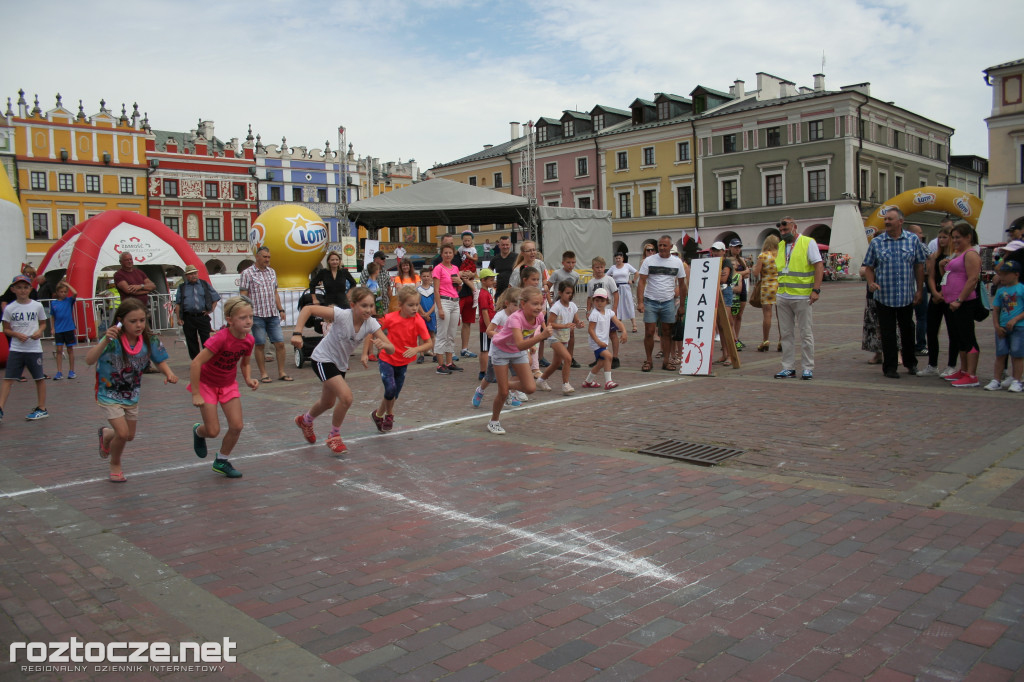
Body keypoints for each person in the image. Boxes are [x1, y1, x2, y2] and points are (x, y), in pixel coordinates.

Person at [292, 287, 393, 452]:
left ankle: (305, 420)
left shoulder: (371, 323)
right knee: (346, 397)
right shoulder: (341, 315)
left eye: (371, 306)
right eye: (364, 306)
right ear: (353, 305)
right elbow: (308, 308)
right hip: (323, 359)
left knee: (328, 402)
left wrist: (385, 345)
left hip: (340, 364)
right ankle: (334, 436)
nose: (368, 310)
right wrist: (297, 333)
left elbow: (392, 349)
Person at [88, 298, 178, 482]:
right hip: (109, 393)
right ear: (121, 320)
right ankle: (115, 464)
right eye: (133, 321)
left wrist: (168, 373)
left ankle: (106, 434)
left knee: (128, 435)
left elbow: (159, 359)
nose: (139, 325)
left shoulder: (149, 339)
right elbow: (89, 360)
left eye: (142, 320)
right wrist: (105, 339)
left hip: (131, 395)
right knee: (122, 433)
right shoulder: (112, 340)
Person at [189, 296, 258, 479]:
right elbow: (196, 363)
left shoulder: (248, 340)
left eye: (250, 316)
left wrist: (249, 378)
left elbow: (245, 364)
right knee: (212, 431)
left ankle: (222, 460)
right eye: (243, 317)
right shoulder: (220, 339)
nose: (248, 321)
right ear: (229, 320)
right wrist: (196, 393)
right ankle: (198, 431)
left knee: (237, 426)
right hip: (207, 385)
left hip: (228, 384)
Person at [862, 208, 928, 379]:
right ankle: (890, 367)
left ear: (900, 221)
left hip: (906, 295)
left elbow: (919, 266)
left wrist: (919, 290)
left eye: (890, 219)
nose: (886, 222)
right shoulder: (877, 242)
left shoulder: (912, 240)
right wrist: (871, 282)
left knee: (908, 330)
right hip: (884, 296)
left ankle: (910, 363)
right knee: (888, 333)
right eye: (885, 219)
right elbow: (868, 266)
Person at [486, 286, 551, 435]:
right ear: (523, 304)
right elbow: (521, 343)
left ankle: (504, 385)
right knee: (502, 393)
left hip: (517, 352)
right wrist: (540, 337)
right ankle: (494, 422)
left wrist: (541, 336)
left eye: (540, 303)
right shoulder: (515, 318)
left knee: (530, 388)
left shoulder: (540, 316)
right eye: (534, 304)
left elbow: (533, 337)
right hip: (501, 350)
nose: (538, 307)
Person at [371, 286, 433, 433]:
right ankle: (389, 415)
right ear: (400, 305)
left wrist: (416, 349)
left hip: (403, 361)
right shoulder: (391, 318)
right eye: (410, 305)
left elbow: (429, 343)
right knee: (390, 389)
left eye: (417, 305)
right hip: (387, 358)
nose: (414, 308)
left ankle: (378, 414)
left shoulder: (418, 321)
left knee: (393, 394)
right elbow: (372, 328)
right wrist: (366, 352)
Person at [773, 217, 824, 380]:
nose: (783, 233)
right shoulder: (781, 245)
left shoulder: (808, 242)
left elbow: (818, 265)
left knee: (805, 332)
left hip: (802, 295)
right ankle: (788, 367)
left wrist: (816, 289)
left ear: (794, 227)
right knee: (786, 333)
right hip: (783, 294)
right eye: (781, 231)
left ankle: (807, 367)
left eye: (785, 229)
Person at [239, 246, 292, 382]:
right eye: (265, 257)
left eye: (269, 257)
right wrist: (247, 313)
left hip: (272, 313)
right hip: (257, 315)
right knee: (260, 344)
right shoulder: (247, 273)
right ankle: (264, 373)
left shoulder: (272, 272)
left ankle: (281, 372)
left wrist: (281, 309)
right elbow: (243, 295)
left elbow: (275, 293)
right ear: (257, 256)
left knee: (280, 343)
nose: (267, 260)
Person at [0, 275, 48, 423]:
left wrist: (39, 332)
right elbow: (6, 329)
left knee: (39, 378)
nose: (22, 290)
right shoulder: (10, 308)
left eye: (25, 287)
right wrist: (16, 334)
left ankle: (41, 408)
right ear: (13, 289)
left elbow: (43, 323)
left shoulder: (37, 306)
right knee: (8, 378)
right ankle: (0, 408)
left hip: (33, 348)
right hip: (16, 348)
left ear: (30, 289)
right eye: (19, 287)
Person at [637, 236, 687, 372]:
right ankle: (648, 360)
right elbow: (641, 281)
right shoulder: (649, 260)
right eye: (660, 245)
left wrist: (682, 305)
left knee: (667, 332)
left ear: (671, 247)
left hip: (668, 302)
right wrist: (640, 302)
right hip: (651, 301)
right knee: (649, 332)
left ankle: (666, 361)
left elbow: (682, 285)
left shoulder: (677, 262)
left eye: (665, 245)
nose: (662, 248)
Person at [943, 223, 984, 387]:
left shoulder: (971, 254)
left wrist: (959, 300)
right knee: (958, 337)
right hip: (952, 302)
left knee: (967, 337)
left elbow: (972, 279)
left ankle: (972, 375)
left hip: (964, 302)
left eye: (958, 237)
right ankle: (964, 369)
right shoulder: (959, 253)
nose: (955, 240)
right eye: (953, 237)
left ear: (968, 237)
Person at [472, 287, 524, 409]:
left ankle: (509, 395)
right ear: (507, 304)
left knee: (516, 373)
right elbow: (488, 331)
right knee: (490, 377)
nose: (518, 309)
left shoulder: (519, 316)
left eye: (520, 305)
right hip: (497, 352)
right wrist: (501, 336)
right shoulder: (500, 315)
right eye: (515, 305)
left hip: (512, 351)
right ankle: (480, 390)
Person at [922, 227, 958, 376]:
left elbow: (953, 277)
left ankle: (951, 365)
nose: (942, 240)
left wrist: (943, 293)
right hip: (936, 297)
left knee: (952, 332)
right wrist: (935, 293)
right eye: (940, 237)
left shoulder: (955, 256)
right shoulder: (934, 256)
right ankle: (932, 364)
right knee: (931, 331)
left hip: (949, 297)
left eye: (945, 237)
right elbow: (930, 276)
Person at [984, 261, 1024, 392]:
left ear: (1016, 274)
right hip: (1002, 327)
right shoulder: (1001, 291)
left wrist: (1015, 319)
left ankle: (1017, 380)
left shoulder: (1021, 289)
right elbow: (996, 309)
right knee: (1001, 354)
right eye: (1002, 274)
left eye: (1006, 274)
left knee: (1017, 354)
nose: (1003, 277)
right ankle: (996, 379)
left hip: (1019, 327)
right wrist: (996, 325)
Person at [539, 280, 583, 395]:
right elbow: (550, 323)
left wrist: (579, 324)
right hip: (554, 337)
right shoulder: (556, 307)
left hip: (564, 337)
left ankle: (541, 380)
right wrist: (564, 325)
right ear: (560, 293)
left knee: (556, 364)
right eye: (567, 293)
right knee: (568, 358)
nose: (569, 295)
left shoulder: (573, 306)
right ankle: (565, 384)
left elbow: (576, 321)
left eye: (571, 293)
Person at [582, 288, 626, 390]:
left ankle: (588, 381)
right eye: (597, 300)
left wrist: (624, 331)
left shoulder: (609, 312)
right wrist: (598, 341)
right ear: (593, 301)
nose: (599, 303)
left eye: (602, 301)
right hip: (596, 343)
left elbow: (618, 323)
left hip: (603, 342)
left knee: (601, 363)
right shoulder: (594, 314)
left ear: (607, 302)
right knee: (608, 356)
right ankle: (608, 382)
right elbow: (591, 330)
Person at [174, 264, 219, 360]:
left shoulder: (204, 284)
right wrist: (179, 318)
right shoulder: (182, 287)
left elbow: (215, 298)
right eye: (190, 274)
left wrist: (211, 309)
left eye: (195, 273)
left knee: (206, 339)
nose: (193, 275)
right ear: (186, 276)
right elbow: (178, 303)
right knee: (191, 340)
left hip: (202, 316)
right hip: (188, 317)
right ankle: (196, 361)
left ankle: (208, 360)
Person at [432, 243, 462, 374]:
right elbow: (436, 290)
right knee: (442, 334)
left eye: (450, 252)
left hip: (455, 301)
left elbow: (457, 288)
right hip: (444, 301)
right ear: (441, 254)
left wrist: (460, 282)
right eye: (445, 253)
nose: (448, 255)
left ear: (453, 253)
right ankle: (440, 364)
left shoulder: (455, 268)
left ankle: (449, 362)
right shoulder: (438, 269)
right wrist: (440, 308)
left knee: (451, 334)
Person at [547, 251, 580, 365]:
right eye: (568, 262)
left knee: (570, 332)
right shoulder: (557, 273)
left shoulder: (576, 275)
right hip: (558, 305)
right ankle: (559, 359)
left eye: (573, 262)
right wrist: (550, 301)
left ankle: (570, 357)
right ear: (563, 262)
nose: (571, 265)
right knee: (558, 332)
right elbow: (547, 286)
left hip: (568, 306)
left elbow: (572, 289)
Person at [587, 256, 620, 368]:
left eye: (601, 267)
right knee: (597, 333)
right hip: (596, 312)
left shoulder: (609, 280)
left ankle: (615, 357)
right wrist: (588, 310)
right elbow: (589, 297)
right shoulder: (591, 282)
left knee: (612, 333)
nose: (599, 269)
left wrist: (614, 307)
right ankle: (599, 357)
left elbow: (615, 293)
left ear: (604, 267)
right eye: (597, 267)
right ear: (593, 268)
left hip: (608, 312)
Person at [751, 235, 780, 352]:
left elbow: (756, 273)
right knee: (781, 316)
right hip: (779, 286)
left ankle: (766, 340)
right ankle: (782, 340)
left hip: (767, 287)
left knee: (767, 315)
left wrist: (753, 268)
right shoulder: (780, 256)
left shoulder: (763, 256)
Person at [710, 242, 736, 366]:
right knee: (720, 325)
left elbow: (723, 279)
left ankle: (731, 355)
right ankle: (725, 353)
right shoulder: (711, 262)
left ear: (723, 251)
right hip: (714, 291)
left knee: (726, 323)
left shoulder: (726, 262)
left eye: (718, 251)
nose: (715, 253)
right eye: (714, 250)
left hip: (725, 291)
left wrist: (712, 276)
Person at [905, 224, 929, 355]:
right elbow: (931, 258)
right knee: (921, 317)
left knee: (910, 319)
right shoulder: (920, 246)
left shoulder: (905, 245)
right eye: (919, 233)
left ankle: (910, 345)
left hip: (910, 287)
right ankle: (920, 344)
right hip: (917, 287)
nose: (922, 235)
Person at [50, 279, 79, 380]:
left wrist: (67, 284)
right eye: (61, 292)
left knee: (70, 349)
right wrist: (53, 328)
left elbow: (75, 293)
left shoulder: (69, 300)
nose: (63, 294)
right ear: (57, 292)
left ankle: (71, 371)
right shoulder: (53, 303)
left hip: (69, 328)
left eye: (65, 292)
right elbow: (52, 316)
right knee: (59, 350)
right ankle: (59, 371)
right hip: (59, 329)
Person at [728, 239, 749, 349]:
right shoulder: (727, 260)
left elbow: (747, 273)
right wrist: (742, 273)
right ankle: (732, 338)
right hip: (732, 289)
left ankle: (736, 337)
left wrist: (740, 274)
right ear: (730, 247)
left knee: (739, 315)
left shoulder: (741, 260)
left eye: (739, 247)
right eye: (735, 247)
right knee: (732, 316)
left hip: (742, 288)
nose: (737, 249)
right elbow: (732, 274)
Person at [458, 247, 479, 359]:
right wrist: (461, 273)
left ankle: (464, 349)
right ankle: (449, 350)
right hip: (457, 295)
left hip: (468, 294)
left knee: (467, 323)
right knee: (452, 323)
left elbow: (475, 273)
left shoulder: (471, 253)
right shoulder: (456, 256)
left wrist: (471, 274)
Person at [476, 268, 497, 380]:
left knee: (488, 349)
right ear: (483, 281)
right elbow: (484, 312)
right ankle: (483, 372)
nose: (493, 281)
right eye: (491, 279)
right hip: (485, 327)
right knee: (485, 350)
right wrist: (489, 327)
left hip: (487, 326)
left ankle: (487, 372)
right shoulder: (483, 294)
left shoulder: (486, 292)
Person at [609, 252, 638, 333]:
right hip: (617, 288)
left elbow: (636, 272)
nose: (618, 260)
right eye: (616, 258)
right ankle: (619, 324)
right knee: (618, 305)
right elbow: (607, 276)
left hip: (626, 287)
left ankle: (634, 325)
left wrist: (633, 280)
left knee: (629, 304)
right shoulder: (613, 267)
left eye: (619, 258)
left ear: (622, 259)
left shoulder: (627, 266)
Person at [416, 268, 436, 364]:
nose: (426, 278)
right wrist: (423, 313)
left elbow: (435, 303)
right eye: (424, 276)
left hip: (431, 315)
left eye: (428, 276)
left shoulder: (433, 289)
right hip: (421, 315)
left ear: (431, 277)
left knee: (432, 334)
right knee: (421, 335)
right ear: (421, 277)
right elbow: (417, 303)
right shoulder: (418, 290)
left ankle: (434, 353)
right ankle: (421, 355)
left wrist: (428, 313)